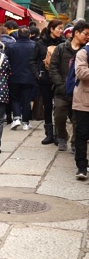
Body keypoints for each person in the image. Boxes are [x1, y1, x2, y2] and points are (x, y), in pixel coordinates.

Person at [48, 20, 89, 151]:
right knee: (59, 115)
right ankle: (62, 136)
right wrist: (60, 85)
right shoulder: (61, 48)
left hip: (80, 91)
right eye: (86, 34)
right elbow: (53, 68)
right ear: (76, 33)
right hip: (62, 90)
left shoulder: (86, 51)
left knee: (78, 120)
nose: (87, 37)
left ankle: (75, 142)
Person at [29, 19, 65, 145]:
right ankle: (49, 134)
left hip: (60, 80)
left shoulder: (64, 43)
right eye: (59, 28)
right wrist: (37, 75)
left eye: (62, 28)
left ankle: (59, 134)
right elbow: (32, 60)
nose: (61, 31)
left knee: (60, 107)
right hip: (44, 79)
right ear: (51, 28)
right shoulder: (40, 43)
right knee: (47, 106)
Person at [5, 27, 37, 131]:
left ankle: (16, 118)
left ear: (18, 35)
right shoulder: (34, 46)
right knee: (26, 100)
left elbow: (7, 62)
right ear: (29, 35)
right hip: (29, 77)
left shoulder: (11, 47)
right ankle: (26, 122)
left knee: (15, 98)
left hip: (13, 77)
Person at [73, 44, 89, 179]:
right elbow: (81, 72)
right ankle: (81, 167)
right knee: (82, 134)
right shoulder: (83, 52)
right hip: (84, 101)